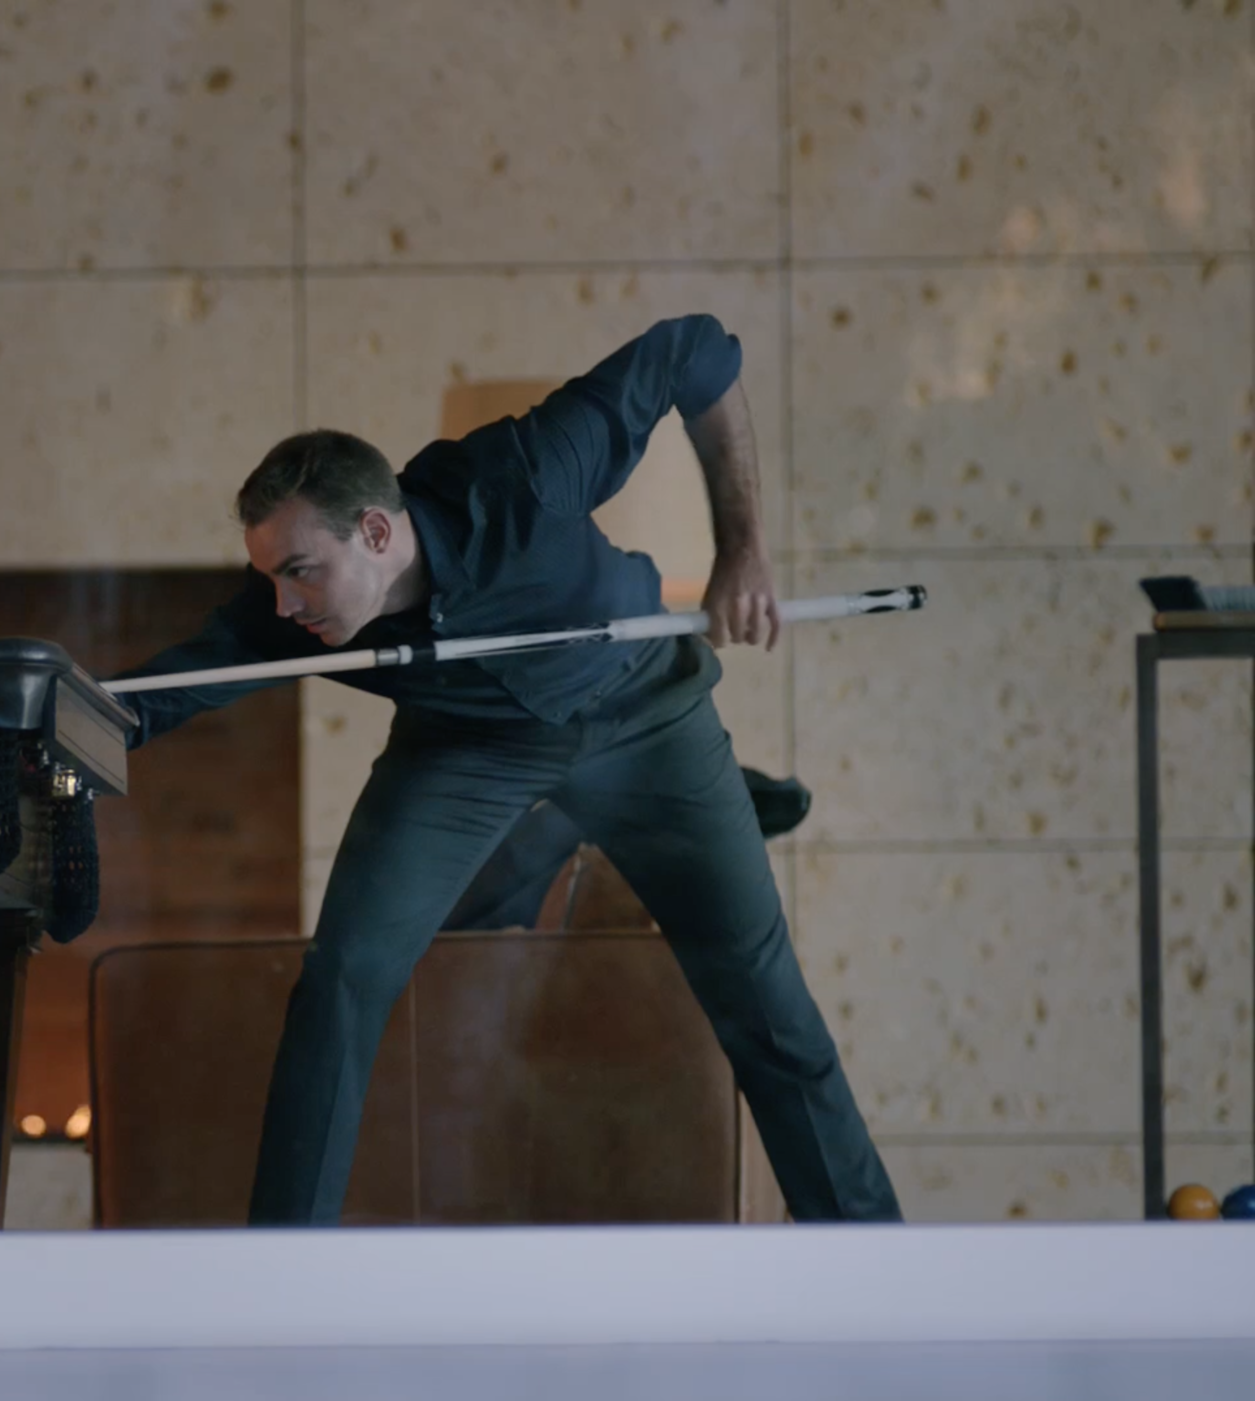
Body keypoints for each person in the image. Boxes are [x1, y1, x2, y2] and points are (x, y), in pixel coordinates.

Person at [112, 314, 902, 1225]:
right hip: (465, 749)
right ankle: (284, 1263)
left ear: (376, 530)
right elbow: (172, 686)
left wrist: (744, 548)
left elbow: (695, 351)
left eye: (300, 572)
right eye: (272, 580)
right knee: (343, 976)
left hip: (645, 715)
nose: (284, 604)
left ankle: (874, 1255)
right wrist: (66, 731)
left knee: (765, 1001)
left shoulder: (528, 472)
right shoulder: (288, 611)